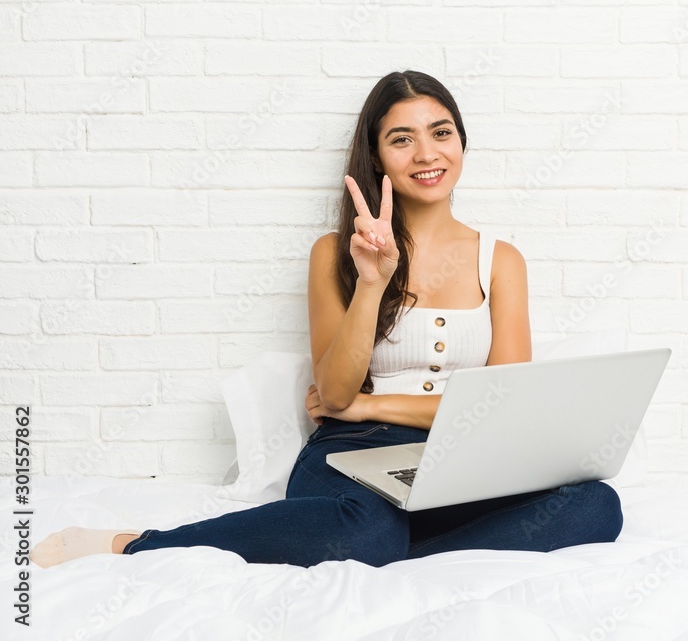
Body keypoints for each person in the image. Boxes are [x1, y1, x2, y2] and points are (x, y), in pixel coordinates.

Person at [30, 70, 623, 570]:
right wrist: (372, 282)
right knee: (366, 528)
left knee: (597, 506)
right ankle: (138, 545)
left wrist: (370, 403)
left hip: (462, 456)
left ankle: (393, 553)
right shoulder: (332, 253)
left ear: (461, 142)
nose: (426, 154)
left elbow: (501, 405)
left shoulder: (503, 260)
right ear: (376, 158)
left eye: (441, 133)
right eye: (401, 139)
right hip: (353, 453)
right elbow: (336, 391)